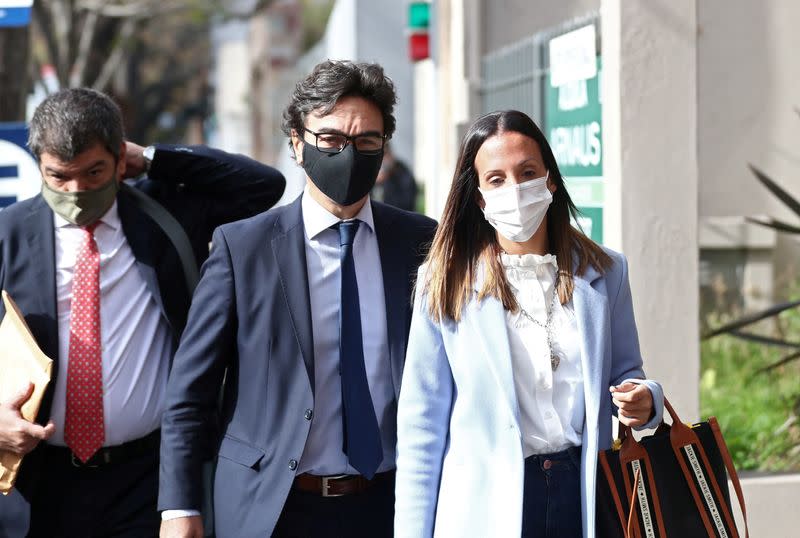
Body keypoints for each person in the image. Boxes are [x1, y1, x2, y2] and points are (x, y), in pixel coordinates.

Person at [158, 60, 437, 538]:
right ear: (297, 142)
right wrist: (179, 508)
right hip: (273, 507)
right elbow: (191, 392)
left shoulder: (420, 242)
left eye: (367, 141)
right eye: (330, 139)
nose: (349, 154)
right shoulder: (242, 248)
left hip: (392, 505)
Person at [0, 87, 286, 537]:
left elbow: (262, 185)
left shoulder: (163, 214)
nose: (77, 192)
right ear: (40, 166)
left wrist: (154, 158)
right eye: (59, 177)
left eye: (94, 172)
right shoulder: (9, 234)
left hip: (148, 479)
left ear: (120, 159)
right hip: (38, 484)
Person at [393, 110, 664, 538]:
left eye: (528, 172)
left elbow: (627, 372)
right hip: (484, 510)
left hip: (584, 498)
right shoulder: (443, 281)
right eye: (496, 179)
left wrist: (645, 399)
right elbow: (421, 428)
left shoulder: (606, 272)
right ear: (479, 197)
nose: (515, 189)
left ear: (551, 180)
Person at [371, 144, 418, 212]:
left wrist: (387, 179)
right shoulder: (373, 174)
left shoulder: (403, 173)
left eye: (384, 155)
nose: (381, 159)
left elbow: (406, 203)